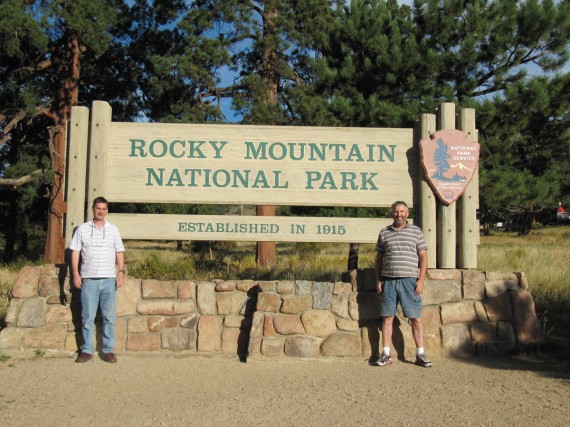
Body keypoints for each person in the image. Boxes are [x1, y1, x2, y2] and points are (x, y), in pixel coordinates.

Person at [373, 201, 432, 368]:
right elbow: (378, 259)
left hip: (409, 281)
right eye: (396, 212)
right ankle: (385, 354)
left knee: (415, 318)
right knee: (387, 317)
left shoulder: (416, 232)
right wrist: (378, 279)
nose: (399, 214)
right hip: (388, 280)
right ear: (392, 214)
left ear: (407, 213)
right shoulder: (384, 232)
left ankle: (420, 353)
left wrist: (420, 280)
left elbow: (423, 257)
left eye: (402, 211)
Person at [70, 196, 125, 363]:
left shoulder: (113, 230)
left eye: (104, 209)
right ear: (93, 209)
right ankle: (87, 350)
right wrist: (75, 274)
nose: (101, 211)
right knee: (87, 317)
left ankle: (108, 350)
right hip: (89, 279)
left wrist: (121, 272)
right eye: (98, 208)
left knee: (109, 317)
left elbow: (119, 252)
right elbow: (75, 252)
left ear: (106, 211)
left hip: (109, 279)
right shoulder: (82, 229)